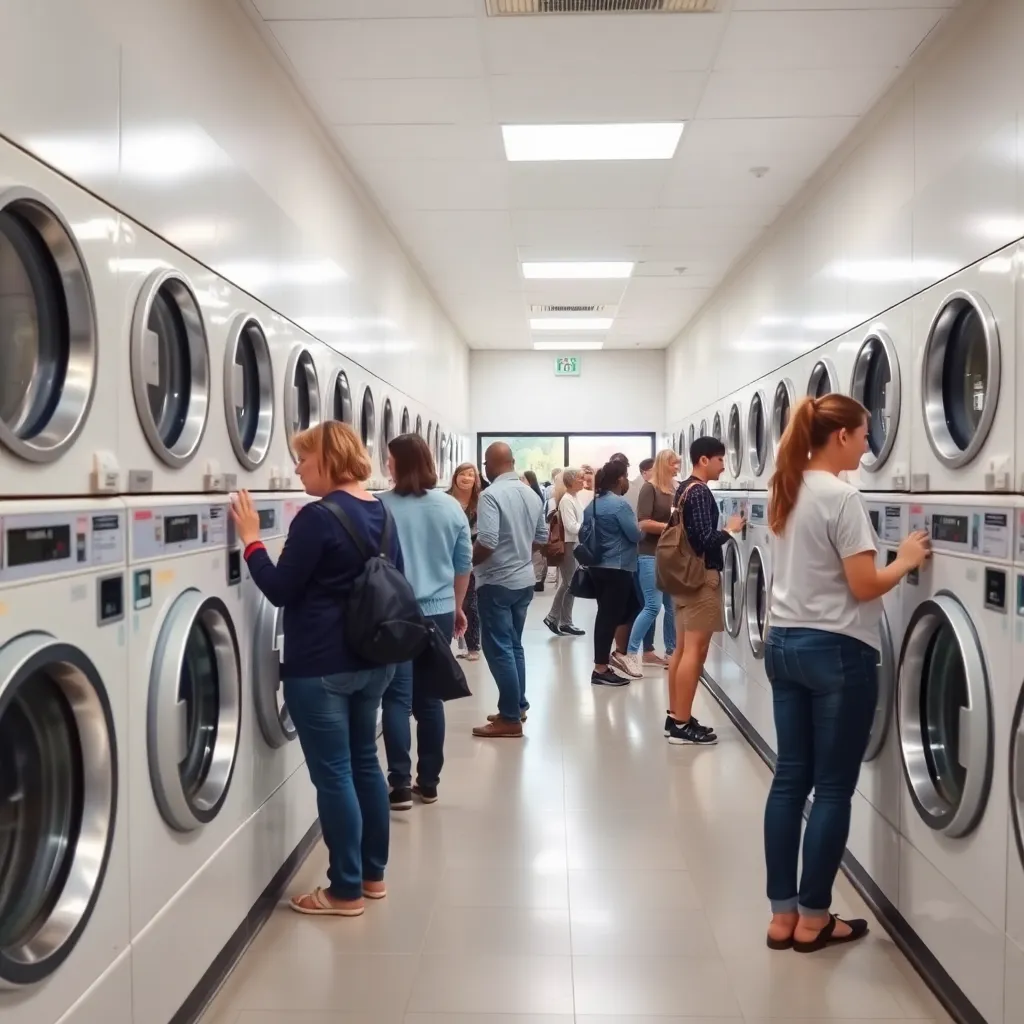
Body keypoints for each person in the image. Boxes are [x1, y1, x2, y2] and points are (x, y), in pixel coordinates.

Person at [762, 395, 929, 952]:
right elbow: (863, 586)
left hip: (784, 645)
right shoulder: (842, 496)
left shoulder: (785, 488)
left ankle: (781, 916)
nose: (867, 444)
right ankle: (815, 920)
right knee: (832, 788)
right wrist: (903, 561)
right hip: (835, 651)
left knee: (790, 781)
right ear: (839, 438)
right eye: (863, 435)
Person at [229, 421, 397, 918]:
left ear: (328, 460)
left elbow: (281, 589)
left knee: (336, 775)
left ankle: (343, 891)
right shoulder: (380, 511)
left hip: (321, 666)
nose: (297, 467)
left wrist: (252, 541)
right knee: (365, 762)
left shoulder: (317, 517)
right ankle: (371, 877)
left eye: (303, 458)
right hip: (373, 661)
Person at [380, 434, 472, 810]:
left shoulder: (378, 505)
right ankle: (429, 783)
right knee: (430, 699)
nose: (386, 464)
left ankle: (399, 786)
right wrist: (458, 606)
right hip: (438, 610)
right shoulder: (450, 507)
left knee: (396, 700)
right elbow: (463, 565)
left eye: (389, 459)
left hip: (392, 611)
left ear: (399, 464)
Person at [666, 435, 743, 745]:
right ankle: (682, 725)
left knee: (682, 650)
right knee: (695, 651)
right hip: (700, 579)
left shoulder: (683, 489)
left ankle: (677, 716)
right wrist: (729, 530)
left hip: (682, 577)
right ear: (704, 460)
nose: (724, 465)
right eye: (720, 459)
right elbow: (703, 540)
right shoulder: (699, 494)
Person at [471, 442, 548, 738]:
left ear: (488, 465)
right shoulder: (530, 493)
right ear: (513, 462)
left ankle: (509, 719)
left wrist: (466, 563)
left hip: (497, 582)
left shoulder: (490, 495)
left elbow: (487, 540)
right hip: (524, 581)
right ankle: (517, 706)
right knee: (514, 644)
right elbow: (541, 535)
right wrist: (519, 553)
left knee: (499, 647)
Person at [580, 459, 643, 686]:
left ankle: (614, 656)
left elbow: (583, 534)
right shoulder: (620, 505)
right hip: (617, 567)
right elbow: (634, 536)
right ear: (620, 479)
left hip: (597, 566)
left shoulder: (593, 505)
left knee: (623, 608)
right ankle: (601, 667)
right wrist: (643, 528)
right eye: (626, 477)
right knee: (609, 616)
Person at [621, 449, 679, 676]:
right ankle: (631, 654)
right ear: (664, 465)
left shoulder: (673, 489)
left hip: (669, 555)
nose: (677, 468)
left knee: (671, 606)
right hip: (649, 554)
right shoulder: (649, 488)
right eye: (674, 464)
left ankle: (671, 652)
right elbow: (643, 523)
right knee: (653, 606)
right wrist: (672, 528)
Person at [544, 466, 585, 636]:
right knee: (569, 583)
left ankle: (565, 621)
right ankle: (553, 617)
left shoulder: (575, 498)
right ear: (571, 481)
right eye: (580, 478)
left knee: (570, 583)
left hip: (574, 544)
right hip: (569, 545)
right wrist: (588, 528)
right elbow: (571, 526)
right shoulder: (567, 500)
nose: (583, 481)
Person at [448, 461, 482, 661]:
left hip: (471, 558)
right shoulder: (444, 499)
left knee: (469, 601)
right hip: (445, 555)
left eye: (471, 474)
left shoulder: (480, 502)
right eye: (463, 473)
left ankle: (473, 646)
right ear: (455, 476)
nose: (467, 478)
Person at [523, 470, 548, 592]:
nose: (521, 482)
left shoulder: (534, 496)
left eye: (523, 479)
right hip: (529, 532)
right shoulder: (531, 495)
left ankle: (537, 580)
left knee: (536, 557)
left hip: (533, 532)